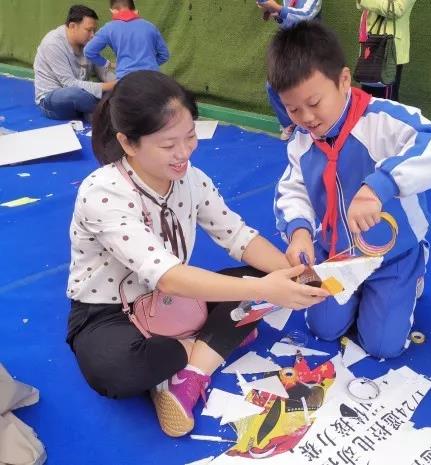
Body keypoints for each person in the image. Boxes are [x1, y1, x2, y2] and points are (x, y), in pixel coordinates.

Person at [66, 70, 328, 438]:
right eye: (168, 144)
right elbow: (167, 275)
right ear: (128, 143)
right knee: (115, 372)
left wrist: (303, 277)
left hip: (176, 299)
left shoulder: (192, 179)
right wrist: (266, 289)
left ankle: (188, 375)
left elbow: (237, 235)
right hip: (110, 312)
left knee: (266, 281)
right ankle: (207, 343)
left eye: (190, 136)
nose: (184, 153)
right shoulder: (103, 192)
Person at [269, 22, 431, 359]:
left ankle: (412, 274)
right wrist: (298, 233)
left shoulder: (382, 120)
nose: (306, 118)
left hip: (391, 255)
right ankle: (358, 296)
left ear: (343, 80)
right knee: (323, 329)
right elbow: (293, 188)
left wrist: (379, 187)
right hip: (335, 254)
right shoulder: (301, 140)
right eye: (293, 109)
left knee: (383, 346)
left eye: (314, 102)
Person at [34, 5, 116, 120]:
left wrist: (120, 83)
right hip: (53, 101)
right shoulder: (52, 43)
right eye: (89, 30)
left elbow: (103, 71)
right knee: (76, 95)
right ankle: (106, 112)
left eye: (94, 31)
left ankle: (97, 112)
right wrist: (110, 86)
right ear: (72, 26)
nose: (93, 35)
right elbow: (69, 84)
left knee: (115, 91)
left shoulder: (88, 43)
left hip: (83, 96)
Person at [256, 0, 322, 141]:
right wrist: (275, 13)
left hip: (311, 50)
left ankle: (314, 127)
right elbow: (289, 22)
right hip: (291, 49)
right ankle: (289, 124)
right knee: (272, 85)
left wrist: (278, 8)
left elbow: (306, 15)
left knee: (306, 88)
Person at [84, 0, 169, 80]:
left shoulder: (108, 29)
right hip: (153, 78)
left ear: (113, 11)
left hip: (126, 80)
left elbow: (89, 51)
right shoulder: (150, 27)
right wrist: (149, 64)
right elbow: (164, 55)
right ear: (134, 10)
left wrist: (108, 64)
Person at [356, 0, 416, 101]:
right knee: (367, 99)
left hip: (389, 50)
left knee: (386, 101)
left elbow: (395, 9)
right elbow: (363, 6)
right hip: (370, 44)